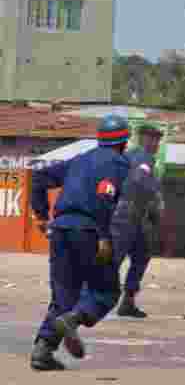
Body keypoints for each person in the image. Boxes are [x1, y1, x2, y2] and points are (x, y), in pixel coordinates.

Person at [28, 114, 132, 371]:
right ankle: (75, 318)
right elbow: (104, 197)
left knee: (64, 294)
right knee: (106, 290)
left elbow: (38, 178)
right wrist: (105, 236)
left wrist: (41, 216)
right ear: (124, 143)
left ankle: (43, 351)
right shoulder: (120, 165)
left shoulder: (80, 159)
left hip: (60, 229)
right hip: (88, 231)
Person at [111, 122, 165, 318]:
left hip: (134, 217)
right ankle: (88, 301)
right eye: (153, 139)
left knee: (141, 255)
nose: (156, 144)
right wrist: (156, 201)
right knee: (114, 259)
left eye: (158, 140)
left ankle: (128, 302)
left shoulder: (127, 156)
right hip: (126, 216)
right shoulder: (142, 158)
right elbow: (140, 181)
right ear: (143, 138)